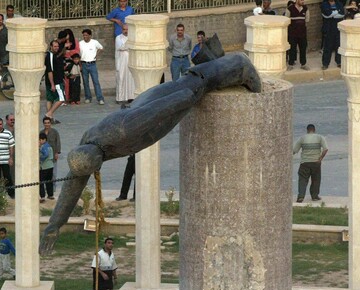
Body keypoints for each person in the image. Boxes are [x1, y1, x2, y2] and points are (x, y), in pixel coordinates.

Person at [38, 52, 262, 255]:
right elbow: (72, 186)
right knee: (191, 85)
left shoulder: (123, 130)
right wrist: (53, 226)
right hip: (146, 110)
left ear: (95, 161)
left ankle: (238, 65)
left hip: (158, 105)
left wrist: (189, 99)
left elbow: (166, 105)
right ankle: (212, 57)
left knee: (196, 84)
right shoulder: (87, 146)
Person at [293, 124, 328, 203]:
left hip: (304, 163)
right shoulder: (320, 137)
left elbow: (294, 150)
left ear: (307, 130)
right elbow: (325, 149)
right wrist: (320, 159)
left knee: (302, 180)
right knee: (316, 179)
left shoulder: (302, 138)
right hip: (316, 162)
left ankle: (301, 197)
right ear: (314, 130)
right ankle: (315, 196)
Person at [79, 29, 105, 105]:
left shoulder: (94, 42)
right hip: (84, 64)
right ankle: (88, 97)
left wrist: (96, 55)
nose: (85, 37)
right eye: (84, 35)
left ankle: (100, 98)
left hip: (92, 64)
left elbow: (101, 48)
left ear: (90, 35)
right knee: (85, 82)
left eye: (86, 35)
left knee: (96, 81)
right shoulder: (80, 43)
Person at [44, 40, 66, 124]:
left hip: (54, 80)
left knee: (50, 99)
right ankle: (49, 114)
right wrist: (52, 84)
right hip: (55, 82)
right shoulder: (50, 56)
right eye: (55, 46)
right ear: (51, 47)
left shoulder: (56, 55)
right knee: (61, 98)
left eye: (57, 46)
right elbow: (50, 71)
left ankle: (50, 119)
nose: (56, 48)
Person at [115, 24, 135, 108]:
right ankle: (120, 98)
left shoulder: (132, 37)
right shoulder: (118, 38)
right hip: (121, 61)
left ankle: (131, 97)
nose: (125, 31)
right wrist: (129, 45)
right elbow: (122, 47)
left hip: (130, 61)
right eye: (124, 29)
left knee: (131, 79)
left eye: (127, 29)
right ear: (122, 29)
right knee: (121, 78)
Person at [286, 0, 309, 70]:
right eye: (301, 0)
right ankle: (291, 64)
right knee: (292, 49)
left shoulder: (306, 9)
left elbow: (307, 20)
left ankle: (303, 64)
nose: (303, 1)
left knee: (303, 49)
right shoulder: (289, 9)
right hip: (292, 34)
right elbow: (286, 20)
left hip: (302, 34)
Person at [321, 0, 344, 69]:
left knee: (338, 46)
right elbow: (327, 15)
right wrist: (337, 11)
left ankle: (339, 62)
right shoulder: (324, 4)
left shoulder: (339, 3)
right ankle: (325, 64)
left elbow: (342, 14)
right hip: (328, 29)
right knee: (327, 47)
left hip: (338, 29)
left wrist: (332, 14)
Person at [41, 117, 61, 186]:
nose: (47, 124)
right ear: (43, 124)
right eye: (45, 123)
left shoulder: (55, 132)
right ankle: (46, 189)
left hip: (53, 156)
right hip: (44, 157)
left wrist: (57, 153)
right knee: (44, 174)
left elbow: (58, 142)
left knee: (54, 173)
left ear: (50, 123)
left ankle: (53, 189)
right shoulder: (41, 133)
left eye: (48, 123)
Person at [39, 133, 54, 203]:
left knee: (41, 182)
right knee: (49, 181)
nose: (39, 141)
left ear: (44, 139)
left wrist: (40, 159)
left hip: (44, 167)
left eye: (40, 140)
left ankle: (42, 196)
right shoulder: (49, 146)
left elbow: (46, 154)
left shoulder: (43, 147)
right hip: (50, 166)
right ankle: (50, 195)